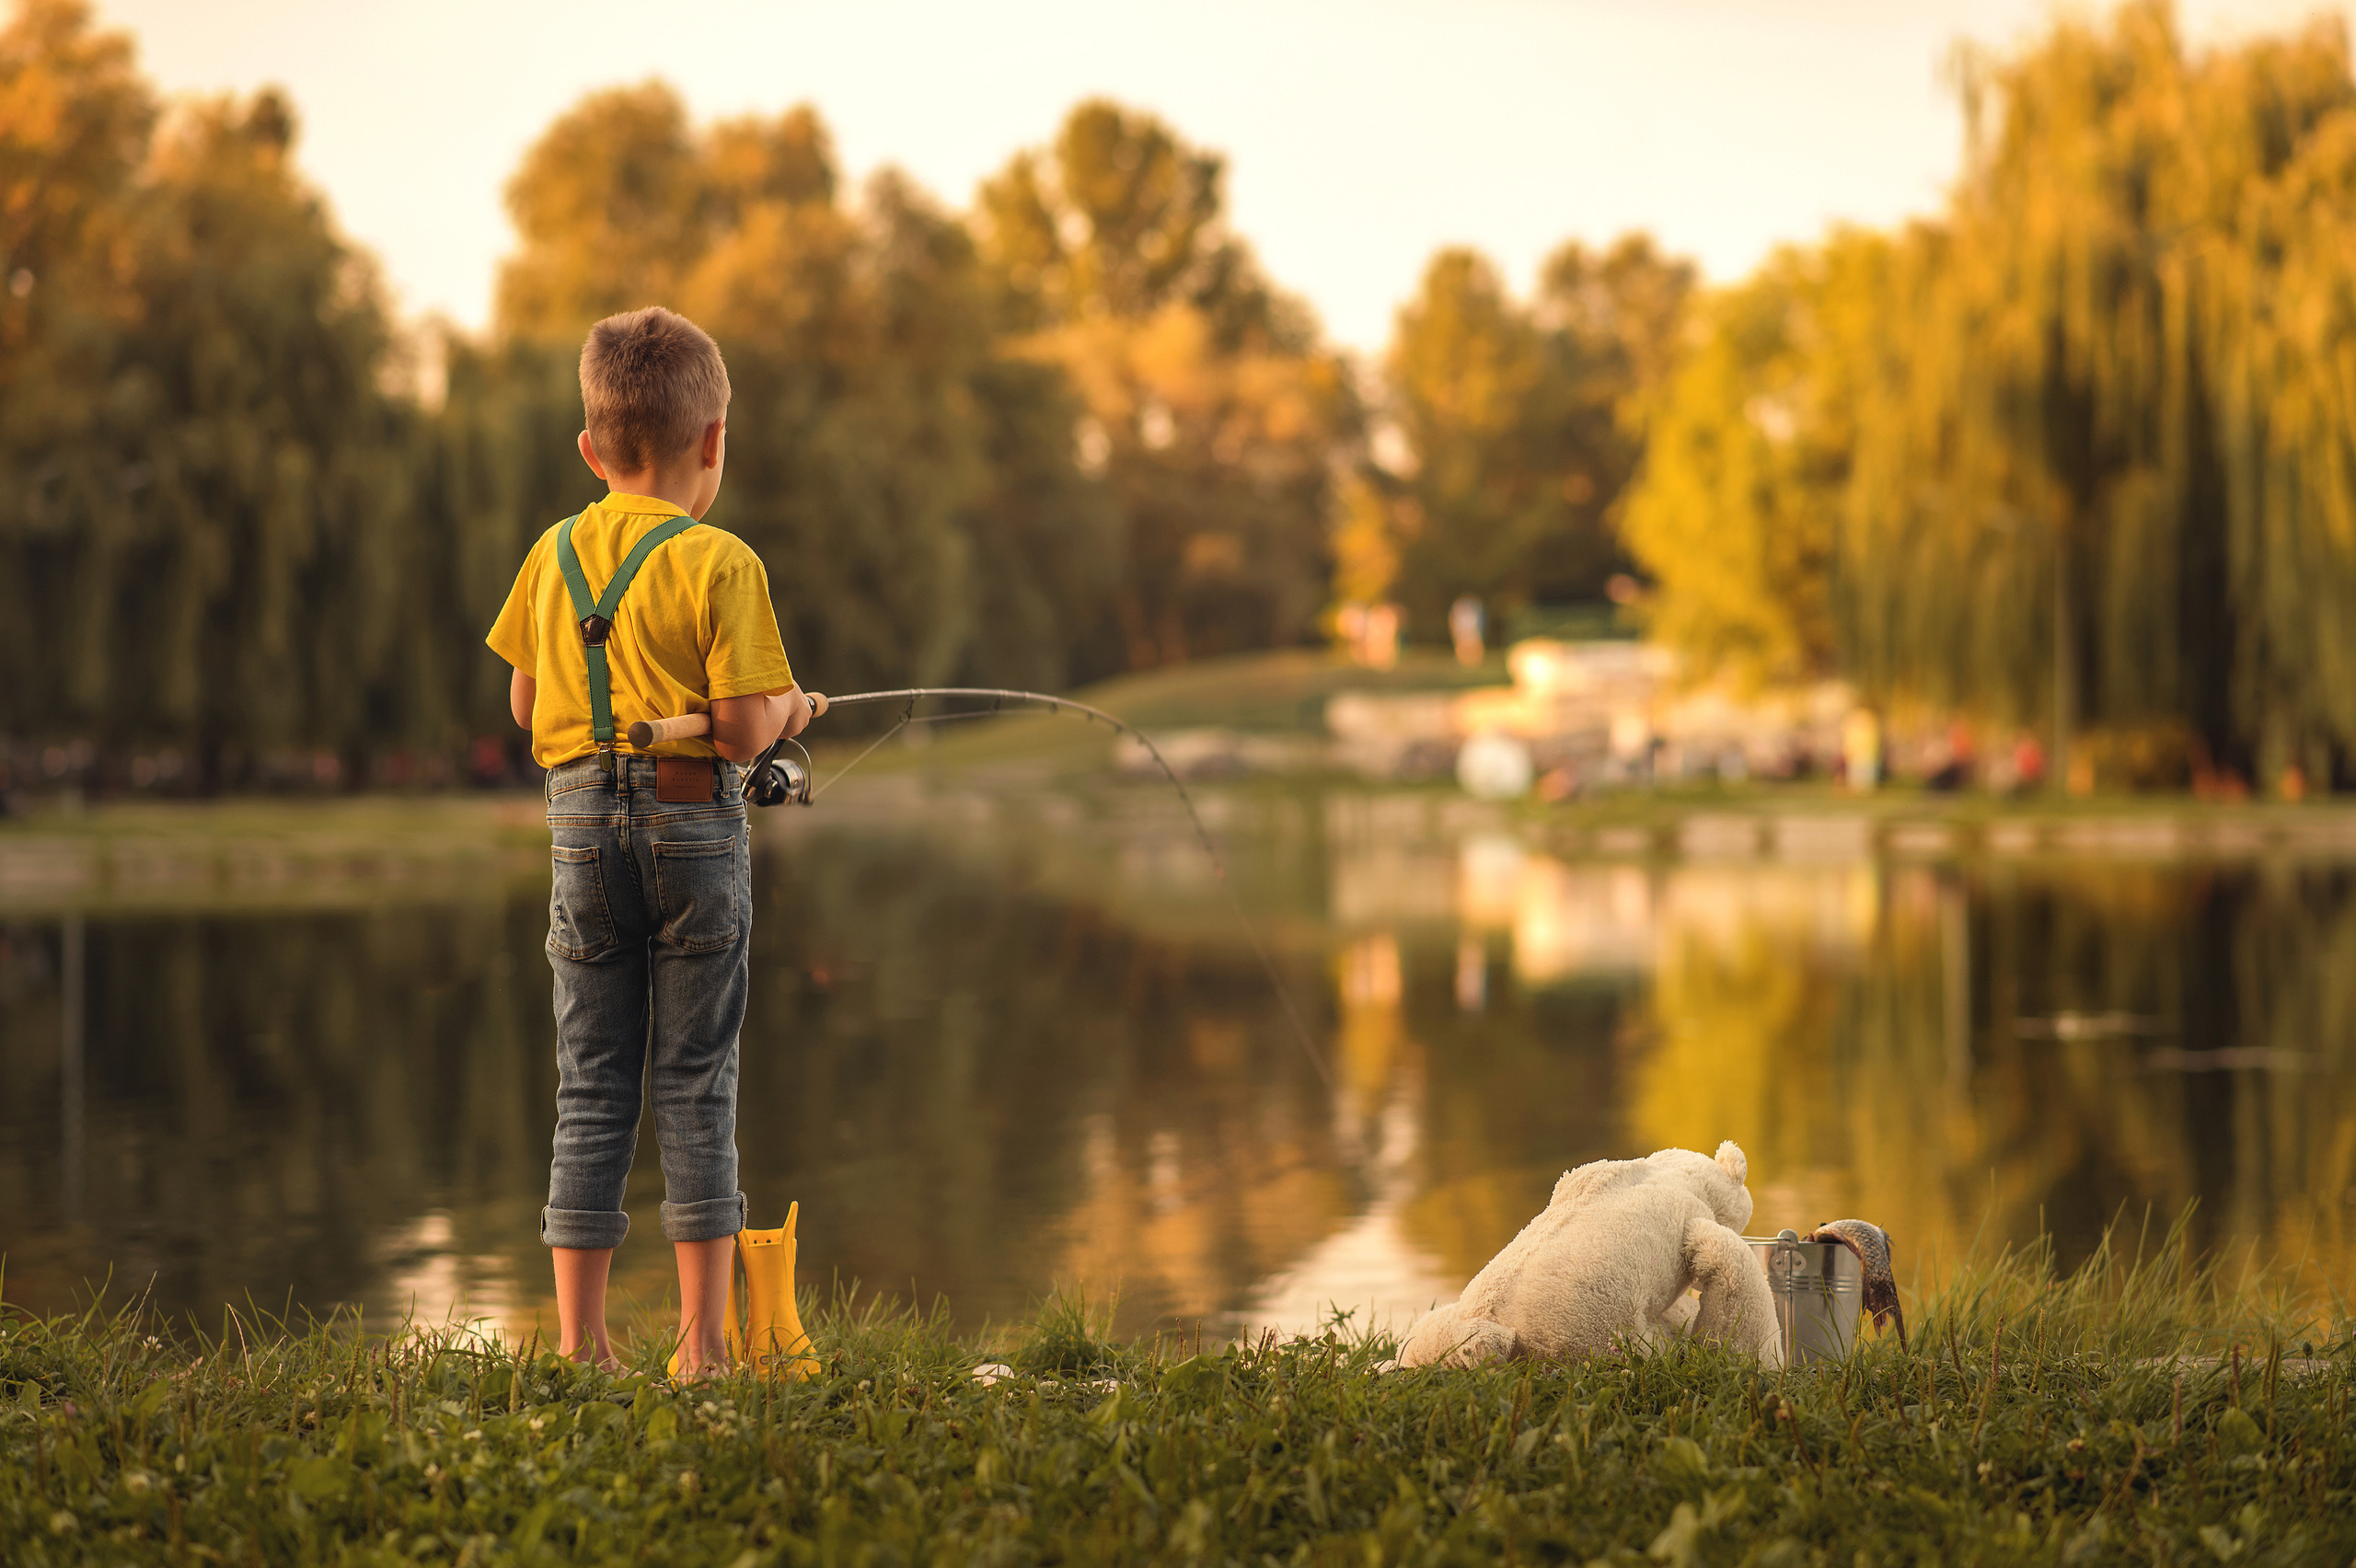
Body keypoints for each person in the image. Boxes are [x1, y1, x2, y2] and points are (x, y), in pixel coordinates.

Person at [487, 306, 815, 1374]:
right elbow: (738, 728)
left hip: (580, 830)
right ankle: (701, 1348)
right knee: (693, 1080)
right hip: (689, 830)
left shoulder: (551, 552)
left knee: (591, 1082)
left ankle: (581, 1348)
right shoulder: (722, 560)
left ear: (590, 449)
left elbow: (524, 701)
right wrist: (794, 711)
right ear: (713, 440)